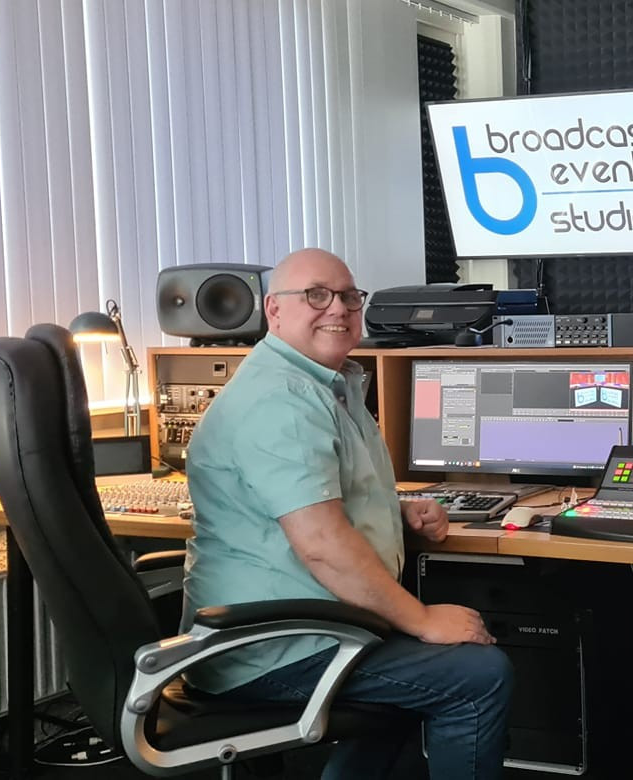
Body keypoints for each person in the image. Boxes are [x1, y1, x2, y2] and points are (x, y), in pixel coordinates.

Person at [183, 248, 512, 779]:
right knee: (476, 675)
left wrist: (394, 511)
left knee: (417, 672)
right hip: (272, 649)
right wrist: (424, 621)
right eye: (316, 295)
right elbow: (321, 544)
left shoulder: (321, 384)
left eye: (349, 296)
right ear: (274, 310)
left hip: (301, 630)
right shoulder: (281, 401)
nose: (337, 308)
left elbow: (312, 503)